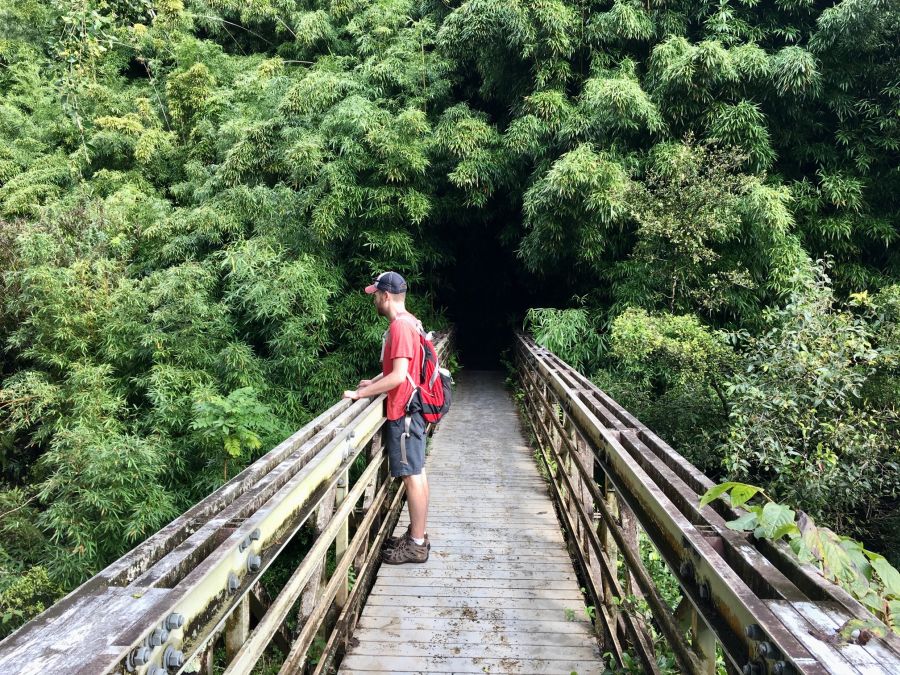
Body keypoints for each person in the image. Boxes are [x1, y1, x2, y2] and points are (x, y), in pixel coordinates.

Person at [342, 271, 430, 564]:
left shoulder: (401, 328)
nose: (374, 300)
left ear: (386, 296)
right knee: (417, 473)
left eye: (376, 295)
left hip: (405, 413)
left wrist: (360, 395)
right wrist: (373, 382)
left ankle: (417, 544)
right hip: (410, 411)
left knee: (413, 476)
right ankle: (417, 536)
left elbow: (399, 377)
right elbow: (398, 370)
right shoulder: (409, 322)